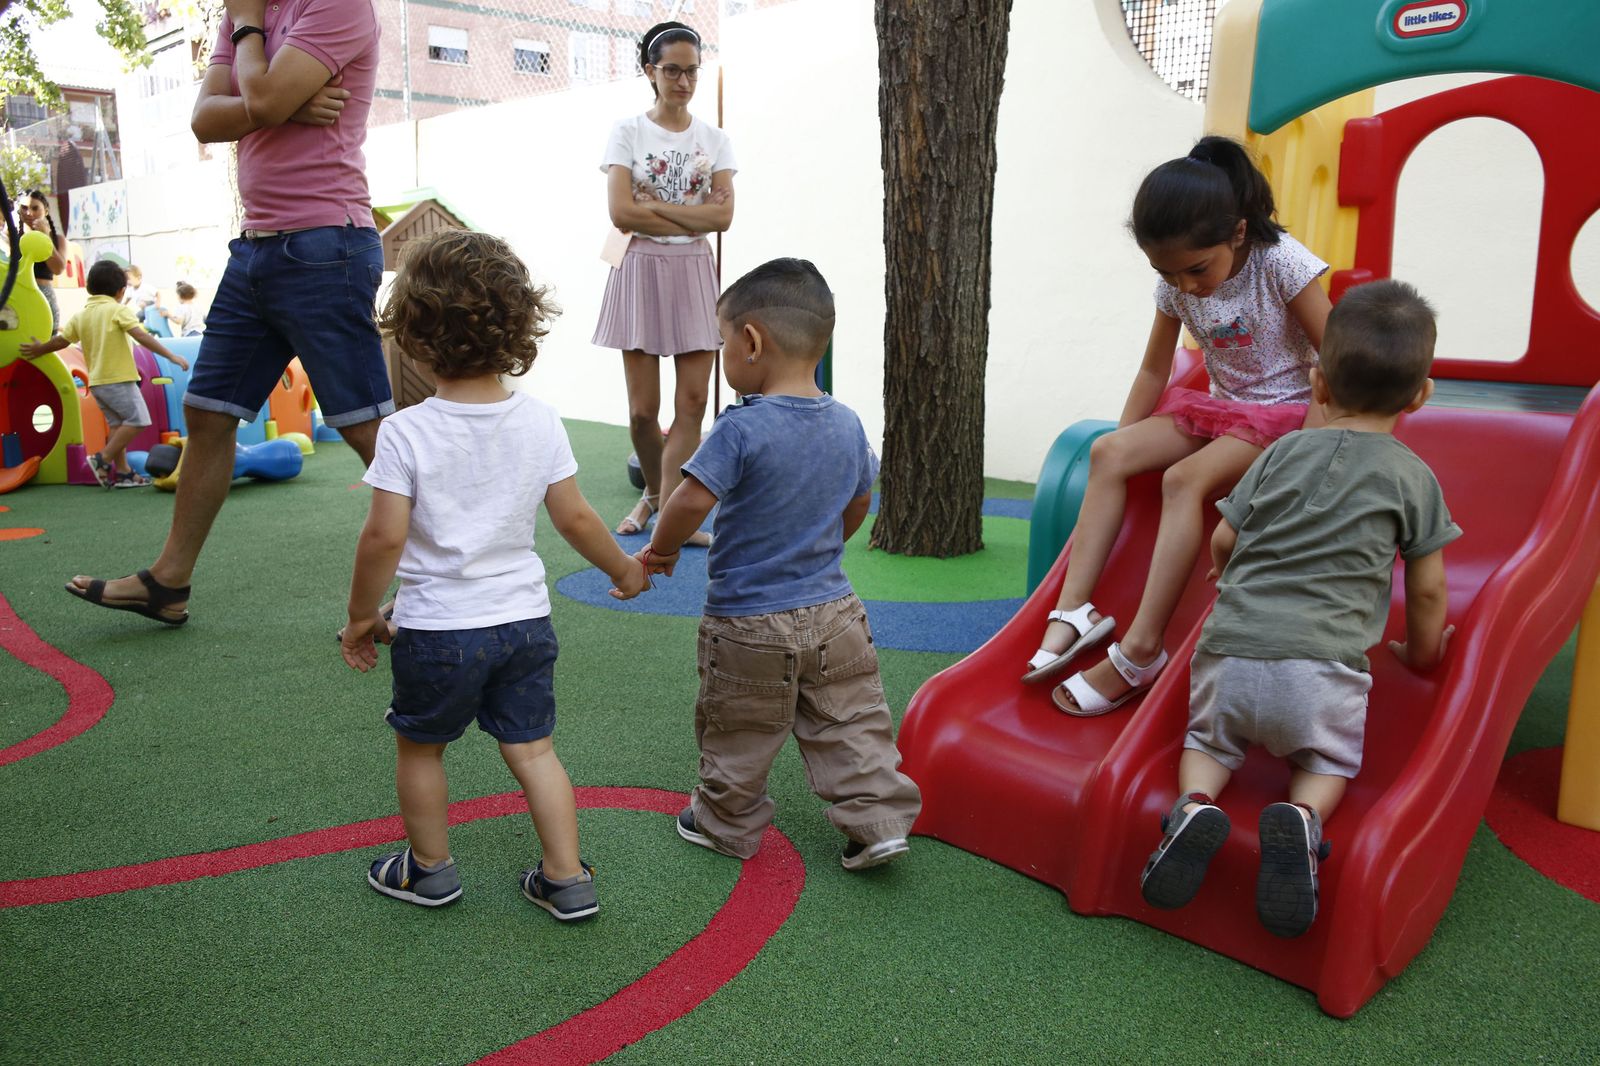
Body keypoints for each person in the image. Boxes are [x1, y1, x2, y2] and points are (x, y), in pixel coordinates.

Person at [1137, 279, 1459, 938]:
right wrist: (1423, 653)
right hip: (1323, 669)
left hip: (1231, 651)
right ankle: (1305, 818)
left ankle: (1196, 805)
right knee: (1325, 761)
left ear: (1317, 385)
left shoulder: (1279, 453)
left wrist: (1227, 576)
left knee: (1207, 742)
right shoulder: (1413, 478)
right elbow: (1427, 588)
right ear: (1422, 396)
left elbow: (1225, 536)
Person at [342, 230, 651, 916]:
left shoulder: (405, 433)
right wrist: (624, 568)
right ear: (517, 327)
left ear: (415, 339)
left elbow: (384, 536)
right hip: (523, 624)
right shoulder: (539, 421)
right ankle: (566, 877)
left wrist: (364, 615)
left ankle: (428, 870)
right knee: (535, 752)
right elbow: (574, 519)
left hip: (438, 631)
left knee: (422, 750)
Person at [65, 0, 381, 626]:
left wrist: (260, 91)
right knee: (207, 412)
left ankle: (460, 578)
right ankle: (168, 584)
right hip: (257, 249)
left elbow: (257, 102)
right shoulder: (245, 12)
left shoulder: (334, 4)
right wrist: (266, 94)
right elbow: (206, 122)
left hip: (325, 244)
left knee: (369, 428)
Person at [1024, 136, 1334, 717]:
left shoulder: (1281, 262)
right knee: (1107, 454)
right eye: (1168, 272)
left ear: (1238, 233)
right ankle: (1075, 609)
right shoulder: (1175, 279)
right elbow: (1152, 369)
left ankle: (1141, 650)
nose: (1186, 285)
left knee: (1182, 481)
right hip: (1221, 410)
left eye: (1197, 268)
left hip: (1286, 415)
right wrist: (1122, 439)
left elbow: (1335, 357)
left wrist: (1310, 453)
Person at [641, 258, 923, 870]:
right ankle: (876, 821)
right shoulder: (847, 423)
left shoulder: (740, 427)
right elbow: (859, 502)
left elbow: (690, 498)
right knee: (851, 722)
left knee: (740, 730)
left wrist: (661, 550)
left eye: (721, 342)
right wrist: (825, 542)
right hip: (836, 613)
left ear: (750, 341)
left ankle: (723, 823)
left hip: (748, 623)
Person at [594, 20, 736, 547]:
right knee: (641, 412)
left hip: (694, 269)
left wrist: (652, 205)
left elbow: (722, 221)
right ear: (650, 71)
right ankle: (654, 496)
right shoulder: (627, 132)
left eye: (692, 71)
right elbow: (619, 210)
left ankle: (675, 518)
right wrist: (690, 212)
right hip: (638, 269)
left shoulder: (715, 139)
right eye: (672, 70)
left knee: (694, 403)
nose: (683, 81)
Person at [20, 260, 190, 489]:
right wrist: (171, 356)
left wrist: (40, 348)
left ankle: (124, 473)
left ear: (90, 287)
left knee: (118, 426)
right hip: (118, 379)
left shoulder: (82, 315)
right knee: (139, 420)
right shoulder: (117, 310)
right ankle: (102, 459)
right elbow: (141, 336)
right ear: (121, 292)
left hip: (98, 383)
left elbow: (62, 340)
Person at [14, 190, 65, 330]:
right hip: (17, 300)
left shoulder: (57, 239)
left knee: (45, 343)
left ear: (46, 211)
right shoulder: (10, 237)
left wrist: (45, 236)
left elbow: (58, 269)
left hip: (44, 297)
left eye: (35, 208)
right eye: (24, 208)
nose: (29, 213)